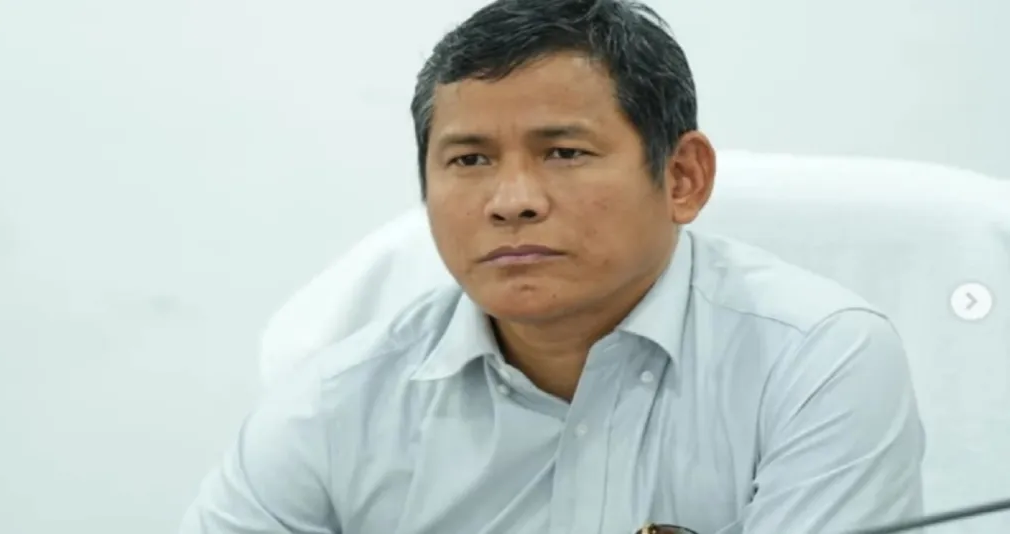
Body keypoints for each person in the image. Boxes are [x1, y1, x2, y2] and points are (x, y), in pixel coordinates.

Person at [180, 0, 925, 532]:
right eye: (469, 160)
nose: (512, 201)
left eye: (564, 152)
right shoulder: (332, 407)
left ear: (682, 177)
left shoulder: (815, 360)